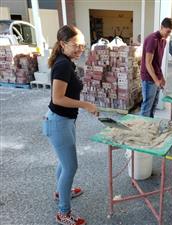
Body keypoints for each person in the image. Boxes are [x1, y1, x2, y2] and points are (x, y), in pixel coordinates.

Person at [43, 25, 98, 225]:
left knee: (64, 163)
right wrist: (86, 105)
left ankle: (60, 192)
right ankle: (63, 213)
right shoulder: (62, 65)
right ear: (62, 44)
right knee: (70, 166)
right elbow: (57, 98)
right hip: (58, 121)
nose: (79, 49)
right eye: (75, 45)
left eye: (82, 45)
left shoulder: (66, 62)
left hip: (63, 120)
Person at [140, 17, 172, 117]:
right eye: (167, 32)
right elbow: (148, 63)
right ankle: (141, 129)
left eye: (170, 33)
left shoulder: (163, 40)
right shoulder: (152, 39)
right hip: (148, 77)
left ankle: (149, 126)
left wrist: (162, 77)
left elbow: (157, 62)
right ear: (161, 27)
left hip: (156, 76)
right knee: (147, 106)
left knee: (153, 105)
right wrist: (156, 80)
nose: (168, 35)